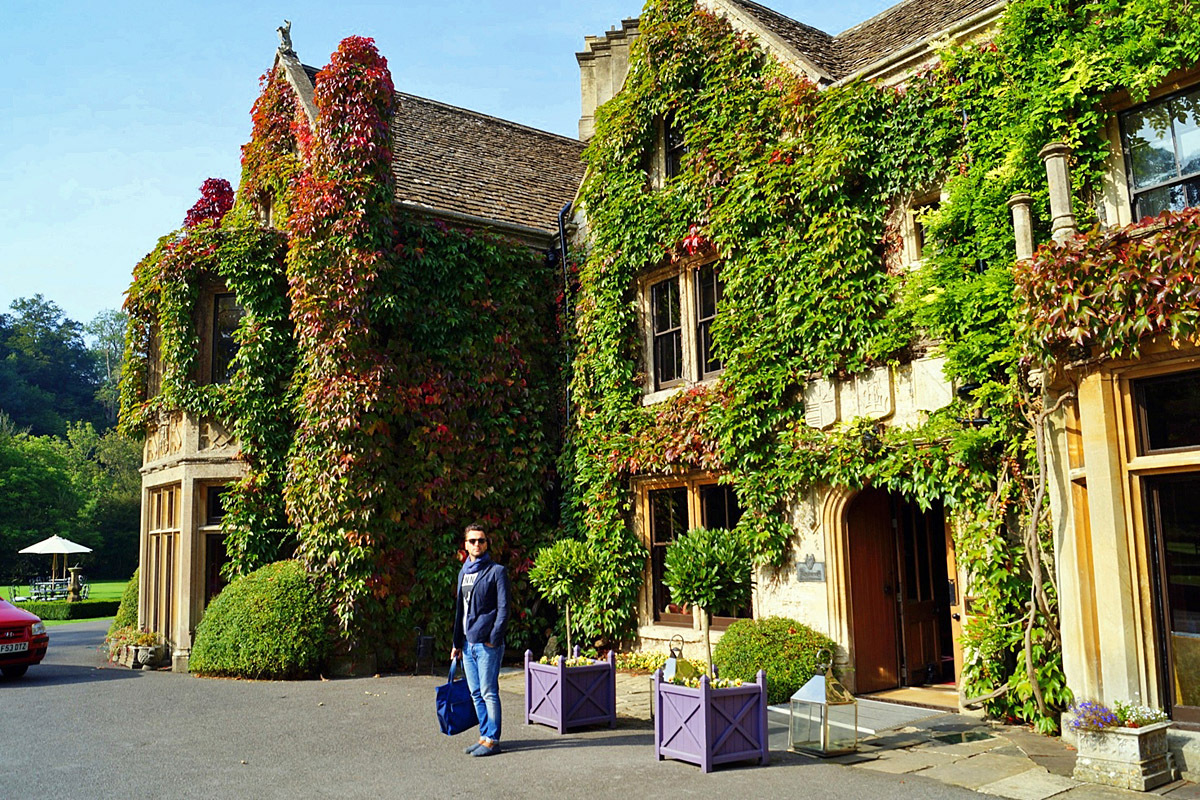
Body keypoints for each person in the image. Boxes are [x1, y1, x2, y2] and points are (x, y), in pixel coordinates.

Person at [451, 522, 509, 756]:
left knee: (488, 692)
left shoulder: (497, 571)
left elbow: (504, 609)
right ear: (465, 545)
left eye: (481, 540)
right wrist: (456, 643)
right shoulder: (464, 572)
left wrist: (493, 638)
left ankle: (493, 740)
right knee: (475, 692)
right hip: (467, 644)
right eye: (472, 541)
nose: (477, 544)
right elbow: (459, 612)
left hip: (486, 644)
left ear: (486, 544)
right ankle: (484, 736)